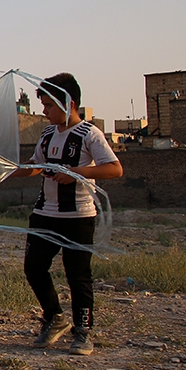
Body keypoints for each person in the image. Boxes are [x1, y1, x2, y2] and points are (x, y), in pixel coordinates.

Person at [10, 74, 122, 355]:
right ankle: (54, 317)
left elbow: (114, 168)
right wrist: (12, 168)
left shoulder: (89, 134)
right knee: (34, 268)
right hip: (44, 214)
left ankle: (83, 331)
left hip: (78, 217)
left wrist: (75, 174)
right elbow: (37, 165)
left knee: (78, 275)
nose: (44, 111)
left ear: (69, 103)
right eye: (43, 105)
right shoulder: (47, 135)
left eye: (49, 105)